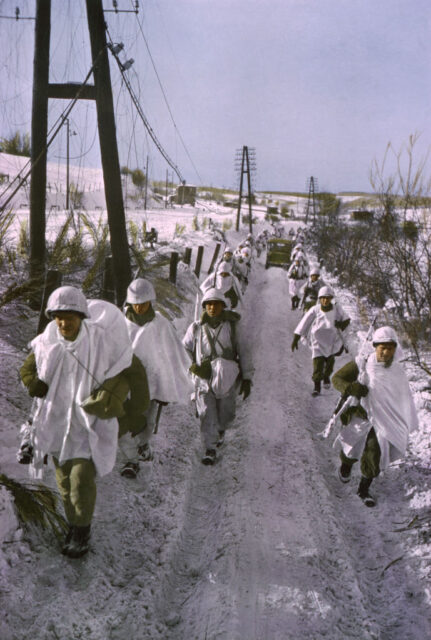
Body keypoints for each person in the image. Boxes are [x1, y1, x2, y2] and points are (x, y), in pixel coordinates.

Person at [19, 286, 136, 558]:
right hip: (58, 423)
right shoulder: (48, 339)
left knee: (81, 479)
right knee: (63, 482)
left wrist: (113, 394)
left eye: (69, 317)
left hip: (88, 423)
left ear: (82, 316)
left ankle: (81, 531)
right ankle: (74, 524)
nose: (63, 323)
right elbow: (27, 368)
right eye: (58, 317)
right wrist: (33, 383)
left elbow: (124, 365)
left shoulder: (99, 341)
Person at [331, 326, 419, 507]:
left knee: (374, 453)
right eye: (382, 348)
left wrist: (405, 419)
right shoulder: (362, 363)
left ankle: (363, 489)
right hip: (360, 415)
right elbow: (337, 378)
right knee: (351, 447)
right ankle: (346, 465)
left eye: (390, 348)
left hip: (383, 420)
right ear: (375, 347)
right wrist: (351, 388)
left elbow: (403, 397)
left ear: (395, 349)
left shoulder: (397, 371)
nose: (386, 352)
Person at [119, 278, 192, 478]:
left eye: (144, 304)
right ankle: (130, 460)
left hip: (152, 383)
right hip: (127, 384)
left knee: (147, 421)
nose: (140, 308)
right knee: (126, 420)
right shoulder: (121, 324)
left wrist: (166, 385)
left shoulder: (161, 325)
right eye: (136, 304)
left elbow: (170, 355)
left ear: (151, 302)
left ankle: (143, 444)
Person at [182, 288, 253, 465]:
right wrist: (191, 367)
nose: (212, 307)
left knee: (226, 413)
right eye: (209, 304)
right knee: (206, 411)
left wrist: (247, 377)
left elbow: (244, 351)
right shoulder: (196, 327)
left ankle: (220, 430)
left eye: (216, 304)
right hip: (204, 376)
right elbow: (185, 348)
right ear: (204, 306)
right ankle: (210, 448)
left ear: (223, 306)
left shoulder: (232, 327)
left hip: (227, 376)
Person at [291, 285, 350, 396]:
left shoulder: (337, 309)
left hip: (332, 342)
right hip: (317, 342)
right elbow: (305, 322)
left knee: (329, 364)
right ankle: (317, 387)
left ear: (331, 298)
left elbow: (347, 319)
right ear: (319, 298)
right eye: (323, 298)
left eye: (328, 298)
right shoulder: (315, 309)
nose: (325, 300)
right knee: (318, 365)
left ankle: (326, 376)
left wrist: (341, 324)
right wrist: (296, 337)